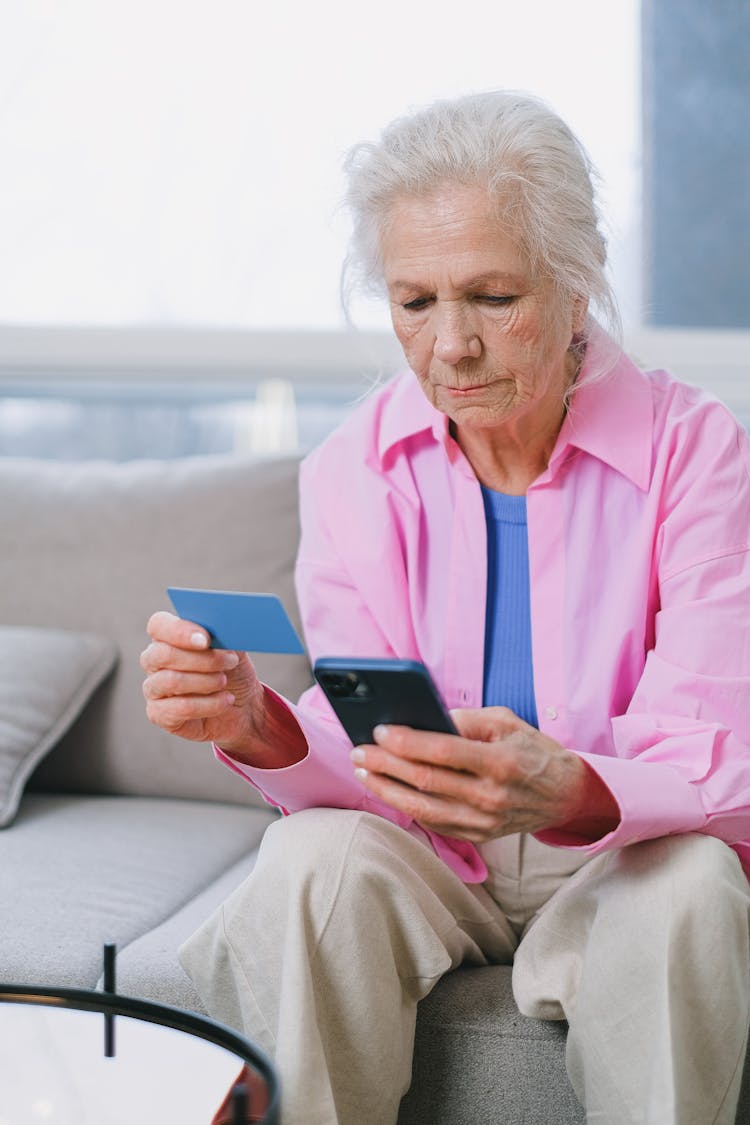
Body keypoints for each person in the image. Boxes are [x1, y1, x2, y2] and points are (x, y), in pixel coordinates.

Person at [140, 91, 750, 1125]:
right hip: (430, 852)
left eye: (492, 296)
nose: (451, 346)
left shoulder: (700, 455)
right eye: (415, 302)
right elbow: (370, 743)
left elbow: (720, 759)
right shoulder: (352, 468)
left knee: (691, 885)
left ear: (575, 284)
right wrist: (258, 725)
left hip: (619, 849)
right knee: (306, 863)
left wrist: (565, 788)